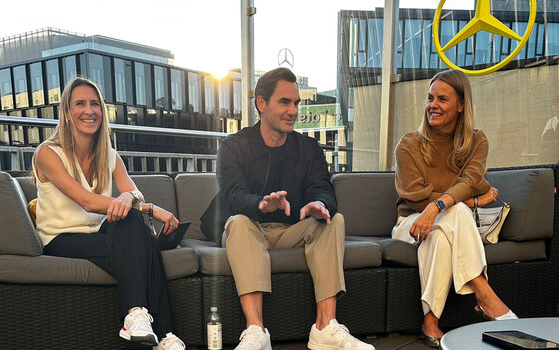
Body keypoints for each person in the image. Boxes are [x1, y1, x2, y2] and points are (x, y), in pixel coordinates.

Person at [216, 68, 375, 350]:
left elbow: (323, 187)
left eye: (296, 103)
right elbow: (232, 195)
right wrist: (261, 204)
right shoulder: (233, 146)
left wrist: (319, 204)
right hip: (252, 229)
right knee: (239, 222)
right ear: (261, 104)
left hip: (293, 230)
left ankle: (325, 327)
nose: (293, 111)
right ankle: (256, 332)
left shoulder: (309, 148)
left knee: (332, 219)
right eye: (284, 102)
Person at [32, 76, 185, 350]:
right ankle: (161, 330)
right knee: (143, 244)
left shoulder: (110, 155)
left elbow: (134, 195)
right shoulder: (48, 153)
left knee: (131, 223)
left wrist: (130, 198)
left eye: (95, 104)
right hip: (61, 238)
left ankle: (139, 322)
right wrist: (148, 207)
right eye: (80, 104)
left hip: (101, 234)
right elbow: (88, 202)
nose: (89, 111)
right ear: (67, 113)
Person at [392, 70, 517, 348]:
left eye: (442, 99)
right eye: (430, 98)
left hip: (439, 224)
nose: (432, 105)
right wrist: (468, 199)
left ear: (461, 105)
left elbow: (472, 179)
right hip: (409, 223)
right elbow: (415, 196)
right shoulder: (409, 144)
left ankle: (431, 321)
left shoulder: (476, 140)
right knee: (458, 211)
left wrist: (439, 205)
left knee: (442, 233)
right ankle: (484, 293)